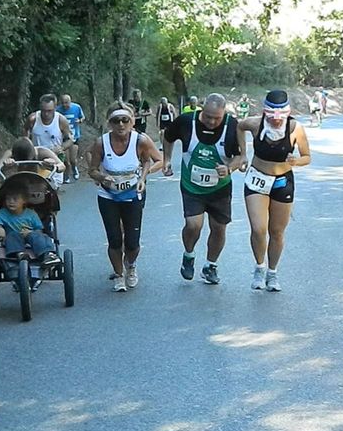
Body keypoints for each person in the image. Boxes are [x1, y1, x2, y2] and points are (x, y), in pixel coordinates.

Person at [163, 93, 245, 284]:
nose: (211, 121)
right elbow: (167, 136)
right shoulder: (186, 121)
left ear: (223, 113)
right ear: (202, 109)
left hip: (220, 189)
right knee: (194, 225)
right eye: (208, 116)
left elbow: (241, 157)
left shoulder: (232, 126)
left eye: (216, 118)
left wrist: (229, 167)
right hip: (192, 187)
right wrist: (166, 159)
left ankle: (210, 266)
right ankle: (188, 255)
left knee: (218, 229)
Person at [236, 90, 311, 291]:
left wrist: (297, 161)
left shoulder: (296, 129)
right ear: (265, 114)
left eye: (281, 119)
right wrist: (243, 154)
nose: (277, 122)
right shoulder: (254, 123)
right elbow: (239, 126)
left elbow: (307, 156)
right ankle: (259, 267)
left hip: (282, 182)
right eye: (272, 119)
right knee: (258, 229)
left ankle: (272, 272)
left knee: (276, 232)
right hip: (257, 180)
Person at [88, 101, 163, 292]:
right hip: (108, 195)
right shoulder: (101, 142)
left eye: (125, 120)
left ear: (132, 123)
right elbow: (92, 170)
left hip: (132, 194)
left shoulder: (141, 140)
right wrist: (102, 177)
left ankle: (131, 266)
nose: (120, 124)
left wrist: (142, 178)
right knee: (114, 238)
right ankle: (119, 275)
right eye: (116, 121)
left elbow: (148, 161)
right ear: (110, 124)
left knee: (132, 241)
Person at [0, 182, 61, 265]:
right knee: (12, 235)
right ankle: (20, 254)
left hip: (30, 237)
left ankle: (47, 255)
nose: (11, 202)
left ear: (24, 201)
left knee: (39, 236)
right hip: (13, 239)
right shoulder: (2, 213)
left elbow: (39, 229)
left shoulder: (31, 214)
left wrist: (30, 233)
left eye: (15, 199)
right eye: (8, 199)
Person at [24, 94, 74, 183]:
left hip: (55, 159)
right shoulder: (33, 119)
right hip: (36, 160)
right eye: (43, 111)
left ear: (55, 107)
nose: (46, 114)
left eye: (49, 111)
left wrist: (62, 148)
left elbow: (70, 140)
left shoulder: (61, 120)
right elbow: (25, 139)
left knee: (53, 190)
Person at [0, 137, 66, 185]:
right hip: (22, 181)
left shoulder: (42, 152)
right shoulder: (10, 153)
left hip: (44, 180)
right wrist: (6, 164)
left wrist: (53, 166)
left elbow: (62, 166)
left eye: (28, 160)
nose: (25, 165)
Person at [56, 94, 85, 183]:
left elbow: (83, 117)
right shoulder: (58, 110)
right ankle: (67, 176)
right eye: (63, 103)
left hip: (74, 136)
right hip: (63, 138)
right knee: (66, 161)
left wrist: (79, 121)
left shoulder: (76, 107)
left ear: (70, 101)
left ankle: (74, 168)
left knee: (72, 159)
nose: (65, 105)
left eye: (67, 103)